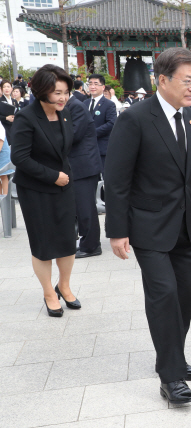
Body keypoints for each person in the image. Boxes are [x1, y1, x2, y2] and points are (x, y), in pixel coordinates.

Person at [104, 47, 191, 404]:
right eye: (187, 81)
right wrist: (117, 230)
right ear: (162, 80)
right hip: (149, 226)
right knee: (164, 295)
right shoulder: (136, 118)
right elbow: (117, 177)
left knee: (184, 296)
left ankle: (175, 357)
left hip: (185, 225)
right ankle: (170, 377)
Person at [10, 65, 81, 318]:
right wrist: (53, 177)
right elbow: (20, 157)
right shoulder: (27, 117)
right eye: (57, 92)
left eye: (66, 92)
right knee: (43, 244)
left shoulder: (65, 113)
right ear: (42, 92)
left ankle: (64, 285)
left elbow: (64, 150)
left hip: (64, 186)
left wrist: (67, 177)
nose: (63, 97)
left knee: (67, 241)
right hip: (36, 190)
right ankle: (48, 293)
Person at [66, 90, 103, 259]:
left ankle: (91, 245)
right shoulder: (70, 106)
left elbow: (73, 135)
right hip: (78, 165)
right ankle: (86, 242)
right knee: (81, 208)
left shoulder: (76, 107)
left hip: (84, 165)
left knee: (86, 208)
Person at [84, 74, 117, 170]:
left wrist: (93, 133)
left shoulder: (109, 104)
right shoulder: (84, 103)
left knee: (103, 177)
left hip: (101, 147)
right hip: (86, 148)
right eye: (90, 84)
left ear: (103, 87)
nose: (92, 86)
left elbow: (111, 123)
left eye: (96, 84)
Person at [0, 116, 14, 195]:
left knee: (3, 176)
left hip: (3, 154)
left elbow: (0, 143)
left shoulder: (0, 127)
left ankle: (5, 196)